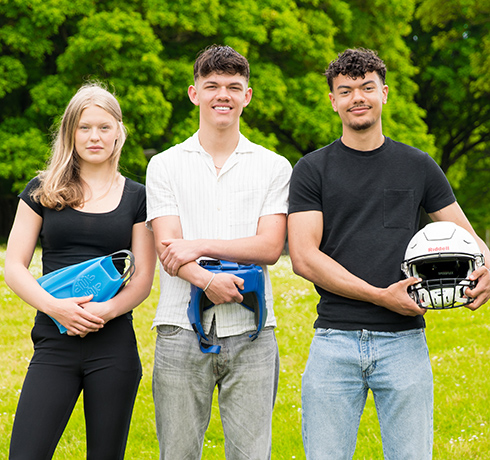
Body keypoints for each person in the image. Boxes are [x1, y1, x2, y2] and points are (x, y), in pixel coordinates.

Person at [287, 48, 490, 460]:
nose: (357, 97)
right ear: (333, 100)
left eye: (366, 87)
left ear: (384, 92)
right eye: (345, 90)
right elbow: (304, 257)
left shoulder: (418, 166)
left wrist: (489, 268)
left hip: (404, 346)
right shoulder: (312, 169)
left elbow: (470, 240)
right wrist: (379, 295)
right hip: (333, 341)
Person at [146, 45, 292, 459]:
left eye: (233, 86)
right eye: (212, 86)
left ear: (247, 95)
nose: (222, 95)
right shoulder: (165, 165)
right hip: (179, 330)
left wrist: (202, 245)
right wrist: (208, 280)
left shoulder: (274, 166)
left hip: (253, 331)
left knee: (251, 454)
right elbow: (168, 248)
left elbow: (268, 246)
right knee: (177, 454)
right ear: (194, 93)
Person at [5, 82, 156, 460]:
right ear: (70, 132)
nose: (94, 137)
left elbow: (141, 280)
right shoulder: (42, 189)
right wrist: (57, 309)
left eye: (104, 127)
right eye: (84, 127)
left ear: (118, 132)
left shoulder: (138, 196)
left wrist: (102, 312)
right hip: (55, 343)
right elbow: (13, 266)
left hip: (113, 346)